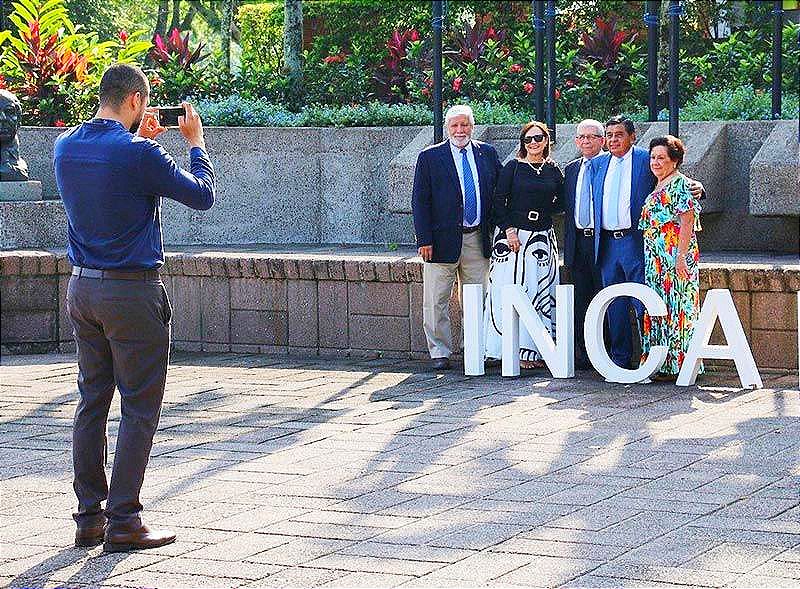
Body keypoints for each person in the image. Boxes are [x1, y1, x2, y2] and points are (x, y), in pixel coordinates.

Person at [54, 63, 215, 552]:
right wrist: (195, 143)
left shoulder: (65, 147)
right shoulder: (142, 152)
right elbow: (203, 196)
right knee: (140, 406)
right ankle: (124, 520)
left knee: (92, 402)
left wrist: (140, 141)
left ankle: (89, 518)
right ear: (137, 102)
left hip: (83, 289)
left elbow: (114, 175)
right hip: (132, 292)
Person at [591, 116, 703, 369]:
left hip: (637, 244)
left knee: (646, 303)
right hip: (608, 244)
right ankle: (620, 360)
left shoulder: (646, 158)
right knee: (614, 305)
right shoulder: (598, 165)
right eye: (609, 135)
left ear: (632, 136)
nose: (613, 139)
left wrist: (698, 188)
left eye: (619, 134)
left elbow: (680, 183)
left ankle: (654, 360)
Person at [411, 104, 502, 371]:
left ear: (472, 127)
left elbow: (497, 194)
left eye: (465, 125)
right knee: (436, 299)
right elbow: (420, 201)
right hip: (439, 241)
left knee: (478, 297)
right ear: (447, 129)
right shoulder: (430, 157)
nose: (460, 130)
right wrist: (424, 239)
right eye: (455, 126)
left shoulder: (487, 153)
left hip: (477, 239)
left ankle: (475, 347)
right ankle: (440, 351)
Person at [484, 121, 564, 369]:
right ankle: (509, 349)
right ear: (522, 143)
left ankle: (537, 351)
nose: (533, 143)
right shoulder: (513, 168)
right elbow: (498, 200)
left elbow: (560, 202)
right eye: (528, 139)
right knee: (512, 288)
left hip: (542, 235)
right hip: (513, 238)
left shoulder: (553, 170)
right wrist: (509, 230)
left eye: (538, 138)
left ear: (546, 140)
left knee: (540, 289)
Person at [639, 135, 703, 380]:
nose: (655, 162)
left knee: (678, 307)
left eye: (661, 158)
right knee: (659, 308)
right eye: (653, 157)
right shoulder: (658, 184)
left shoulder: (680, 185)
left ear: (674, 161)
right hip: (655, 260)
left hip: (674, 255)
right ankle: (661, 363)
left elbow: (687, 221)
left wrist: (681, 257)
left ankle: (680, 364)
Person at [563, 119, 606, 370]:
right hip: (577, 243)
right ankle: (584, 354)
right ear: (576, 141)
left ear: (602, 140)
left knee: (604, 298)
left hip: (603, 242)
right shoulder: (570, 169)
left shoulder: (610, 165)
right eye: (582, 137)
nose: (586, 141)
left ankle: (608, 352)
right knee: (580, 300)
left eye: (592, 137)